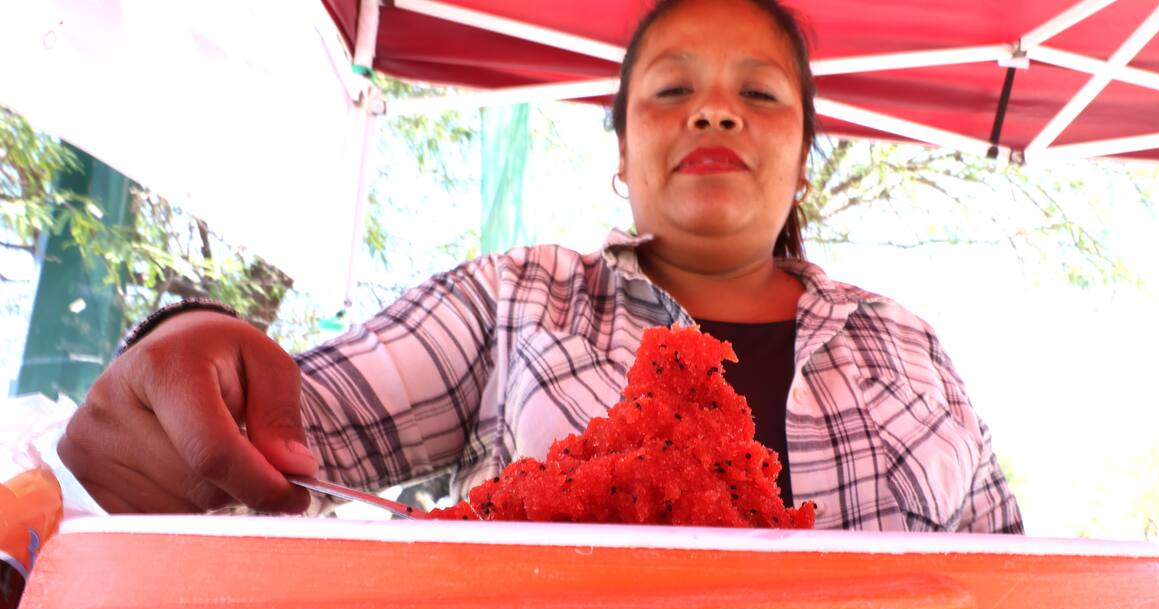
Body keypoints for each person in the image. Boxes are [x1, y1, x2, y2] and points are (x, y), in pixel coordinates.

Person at [59, 0, 1023, 533]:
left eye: (759, 94)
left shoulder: (909, 343)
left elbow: (1012, 575)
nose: (715, 112)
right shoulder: (518, 296)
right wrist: (185, 358)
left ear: (806, 150)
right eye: (673, 87)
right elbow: (290, 430)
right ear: (618, 151)